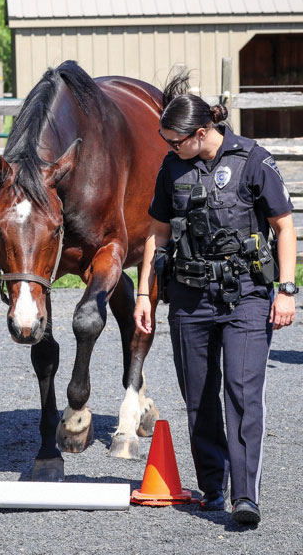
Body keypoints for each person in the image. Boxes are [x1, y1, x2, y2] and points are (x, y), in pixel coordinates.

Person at [133, 73, 297, 525]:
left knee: (242, 394)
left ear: (200, 133)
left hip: (245, 296)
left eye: (175, 141)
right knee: (199, 397)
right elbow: (158, 232)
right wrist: (145, 292)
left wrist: (286, 290)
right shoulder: (172, 169)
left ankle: (246, 496)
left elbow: (284, 227)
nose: (170, 148)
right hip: (188, 300)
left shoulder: (253, 161)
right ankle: (213, 485)